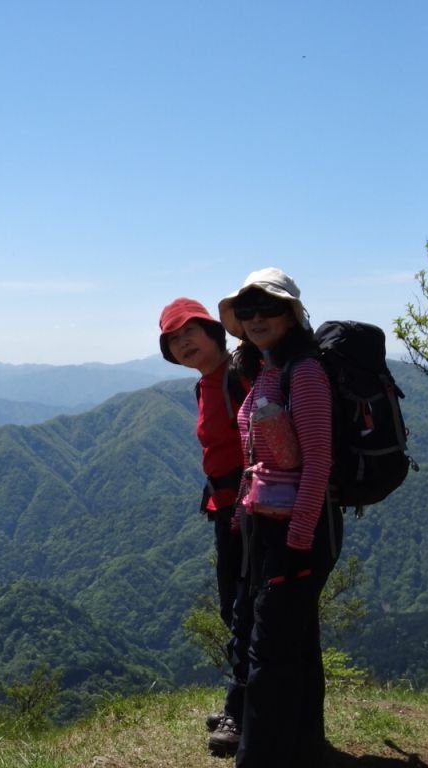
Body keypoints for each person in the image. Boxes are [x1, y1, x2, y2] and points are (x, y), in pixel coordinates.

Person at [218, 268, 343, 768]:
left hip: (297, 531)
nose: (255, 318)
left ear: (291, 313)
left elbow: (318, 461)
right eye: (246, 311)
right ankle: (304, 749)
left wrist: (296, 537)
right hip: (266, 525)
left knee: (267, 653)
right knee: (294, 646)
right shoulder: (268, 368)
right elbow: (262, 455)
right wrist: (242, 515)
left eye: (267, 307)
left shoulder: (305, 372)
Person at [158, 298, 249, 755]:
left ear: (214, 331)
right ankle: (245, 699)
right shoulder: (206, 385)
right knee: (231, 607)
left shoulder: (241, 374)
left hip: (252, 511)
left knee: (246, 610)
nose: (182, 343)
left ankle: (240, 708)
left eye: (188, 332)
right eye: (172, 340)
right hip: (224, 508)